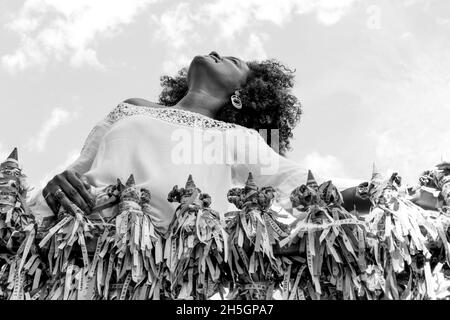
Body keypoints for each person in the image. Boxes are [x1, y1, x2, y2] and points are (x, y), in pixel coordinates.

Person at [30, 51, 368, 234]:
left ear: (241, 96)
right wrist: (55, 185)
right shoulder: (131, 107)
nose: (218, 52)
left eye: (235, 62)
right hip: (74, 240)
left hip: (168, 260)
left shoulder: (240, 137)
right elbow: (79, 167)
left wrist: (380, 194)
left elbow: (299, 183)